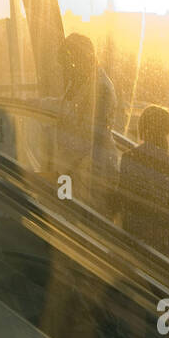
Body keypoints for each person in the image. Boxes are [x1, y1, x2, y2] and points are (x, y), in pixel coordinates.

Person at [54, 33, 119, 213]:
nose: (65, 71)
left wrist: (56, 172)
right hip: (75, 173)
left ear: (79, 59)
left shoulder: (101, 90)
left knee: (87, 230)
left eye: (68, 65)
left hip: (93, 176)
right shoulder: (80, 82)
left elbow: (88, 137)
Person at [117, 105, 169, 262]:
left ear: (143, 127)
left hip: (136, 234)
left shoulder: (130, 157)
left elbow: (124, 197)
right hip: (165, 240)